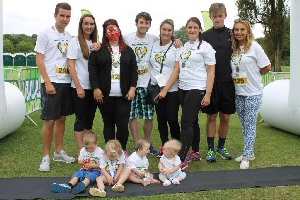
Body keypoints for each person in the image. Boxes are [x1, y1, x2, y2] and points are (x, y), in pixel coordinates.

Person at [88, 19, 138, 157]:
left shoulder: (128, 51)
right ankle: (110, 152)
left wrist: (133, 88)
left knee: (122, 125)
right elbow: (92, 71)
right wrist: (96, 88)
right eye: (109, 31)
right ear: (105, 33)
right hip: (105, 95)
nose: (113, 33)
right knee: (108, 124)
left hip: (124, 95)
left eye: (115, 29)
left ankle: (121, 152)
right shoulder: (98, 50)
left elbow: (134, 71)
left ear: (119, 30)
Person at [35, 2, 75, 172]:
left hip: (66, 82)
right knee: (50, 120)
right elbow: (39, 60)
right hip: (52, 82)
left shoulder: (70, 36)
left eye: (68, 16)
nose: (65, 19)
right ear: (55, 15)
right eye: (62, 16)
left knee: (62, 119)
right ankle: (46, 156)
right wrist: (48, 81)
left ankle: (58, 152)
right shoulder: (45, 34)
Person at [231, 19, 271, 169]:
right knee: (244, 124)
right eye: (236, 30)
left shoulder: (255, 47)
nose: (239, 32)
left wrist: (256, 75)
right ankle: (250, 151)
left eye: (242, 29)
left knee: (250, 124)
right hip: (239, 92)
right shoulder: (234, 49)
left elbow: (267, 66)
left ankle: (247, 155)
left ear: (248, 31)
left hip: (253, 92)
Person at [178, 17, 216, 171]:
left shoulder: (206, 48)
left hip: (197, 87)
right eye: (189, 27)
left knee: (185, 122)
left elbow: (211, 72)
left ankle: (181, 158)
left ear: (200, 29)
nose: (192, 30)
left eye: (195, 27)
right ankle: (195, 152)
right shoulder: (185, 46)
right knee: (193, 121)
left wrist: (207, 94)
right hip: (183, 87)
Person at [201, 2, 235, 163]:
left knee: (226, 117)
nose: (217, 19)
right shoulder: (205, 36)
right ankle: (210, 149)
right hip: (211, 83)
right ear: (211, 17)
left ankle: (222, 147)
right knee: (212, 116)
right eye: (214, 17)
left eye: (220, 16)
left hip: (228, 81)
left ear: (225, 16)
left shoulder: (232, 33)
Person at [123, 12, 160, 155]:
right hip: (131, 84)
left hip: (147, 85)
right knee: (132, 116)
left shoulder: (154, 39)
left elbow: (168, 41)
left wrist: (177, 41)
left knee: (149, 116)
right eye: (141, 23)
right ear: (136, 23)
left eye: (146, 23)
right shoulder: (127, 38)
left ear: (149, 25)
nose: (143, 25)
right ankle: (138, 144)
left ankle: (147, 143)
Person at [67, 13, 99, 153]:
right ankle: (81, 151)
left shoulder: (95, 43)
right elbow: (71, 66)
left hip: (93, 88)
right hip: (80, 88)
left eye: (91, 24)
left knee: (89, 120)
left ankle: (88, 150)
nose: (89, 26)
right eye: (86, 23)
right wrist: (79, 87)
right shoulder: (75, 42)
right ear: (81, 26)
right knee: (81, 119)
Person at [149, 19, 181, 158]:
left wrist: (165, 90)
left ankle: (177, 147)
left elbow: (177, 70)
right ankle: (165, 146)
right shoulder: (154, 44)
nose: (166, 32)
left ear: (172, 32)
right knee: (161, 119)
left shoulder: (176, 47)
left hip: (172, 89)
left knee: (172, 118)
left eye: (169, 30)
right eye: (164, 29)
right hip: (156, 88)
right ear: (160, 30)